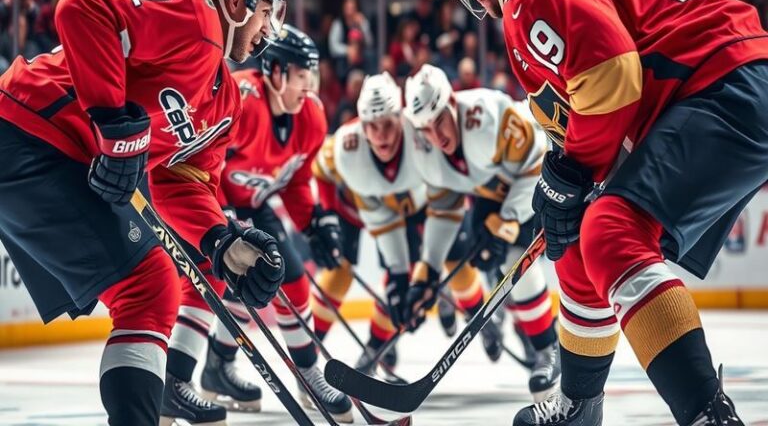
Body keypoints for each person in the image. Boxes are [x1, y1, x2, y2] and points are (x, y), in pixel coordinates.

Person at [446, 0, 768, 425]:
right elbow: (593, 100)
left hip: (721, 80)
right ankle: (579, 405)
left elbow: (612, 74)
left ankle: (708, 416)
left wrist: (571, 169)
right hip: (712, 86)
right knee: (575, 245)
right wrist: (569, 180)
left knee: (609, 230)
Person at [0, 0, 288, 426]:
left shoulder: (225, 102)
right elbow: (83, 7)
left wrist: (221, 241)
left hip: (47, 151)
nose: (268, 30)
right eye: (267, 12)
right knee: (149, 285)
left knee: (150, 287)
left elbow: (183, 181)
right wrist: (113, 122)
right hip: (28, 129)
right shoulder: (195, 12)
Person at [165, 25, 354, 424]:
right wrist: (218, 220)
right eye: (302, 76)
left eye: (312, 76)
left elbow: (296, 180)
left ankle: (288, 373)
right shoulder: (244, 101)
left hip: (254, 202)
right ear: (277, 72)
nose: (310, 86)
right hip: (212, 198)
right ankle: (176, 378)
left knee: (290, 278)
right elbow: (198, 159)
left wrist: (313, 221)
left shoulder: (313, 117)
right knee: (213, 275)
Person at [311, 72, 494, 373]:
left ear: (403, 118)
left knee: (457, 260)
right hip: (372, 211)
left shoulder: (423, 132)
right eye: (373, 126)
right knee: (389, 280)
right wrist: (329, 215)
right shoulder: (345, 144)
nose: (381, 135)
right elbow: (319, 170)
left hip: (424, 205)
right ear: (361, 124)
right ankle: (376, 345)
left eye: (388, 124)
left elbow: (451, 174)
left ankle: (481, 318)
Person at [402, 64, 561, 402]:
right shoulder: (427, 148)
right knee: (489, 258)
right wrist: (427, 271)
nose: (436, 136)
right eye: (425, 129)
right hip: (494, 190)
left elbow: (536, 164)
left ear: (453, 103)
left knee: (514, 259)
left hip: (545, 173)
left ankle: (550, 347)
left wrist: (507, 223)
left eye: (439, 120)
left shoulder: (489, 115)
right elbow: (444, 210)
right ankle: (524, 324)